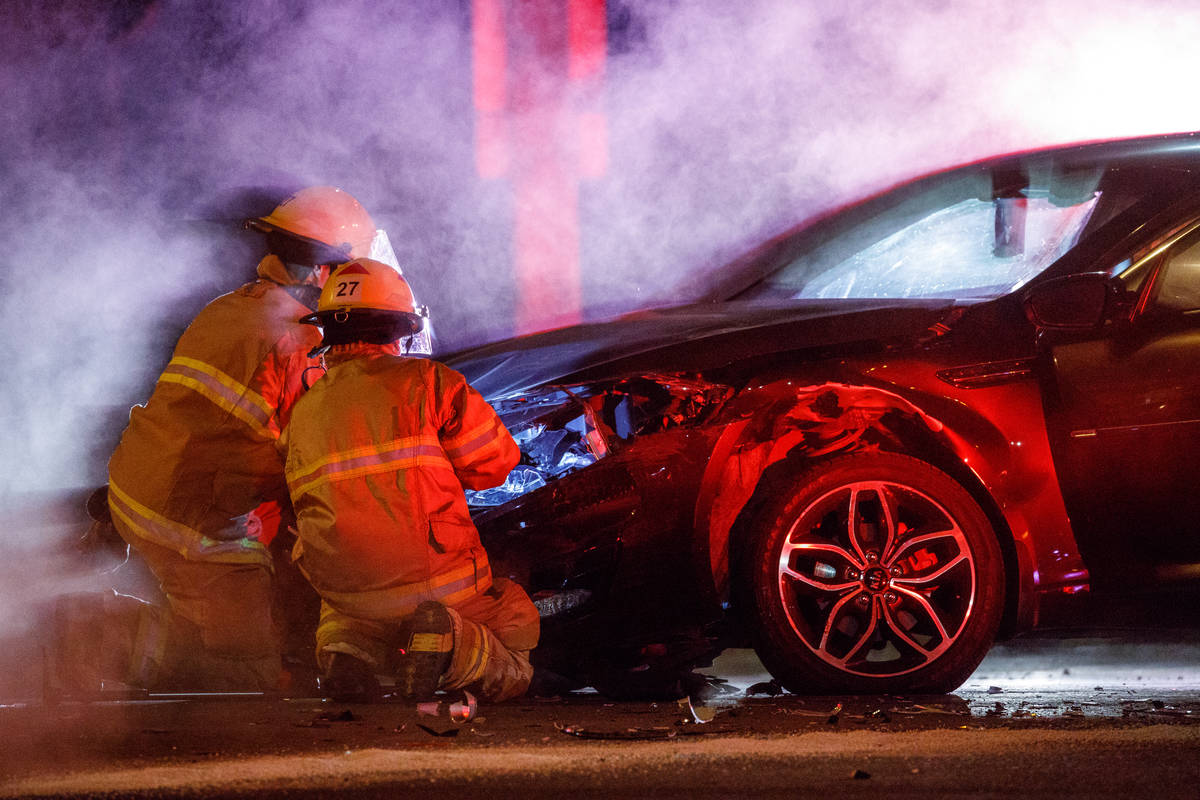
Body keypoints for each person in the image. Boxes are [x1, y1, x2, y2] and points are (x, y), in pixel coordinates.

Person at [56, 186, 377, 693]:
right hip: (190, 516)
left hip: (141, 482)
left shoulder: (230, 308)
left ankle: (120, 632)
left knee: (216, 616)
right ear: (323, 271)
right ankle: (93, 631)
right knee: (247, 667)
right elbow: (310, 450)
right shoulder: (298, 341)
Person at [279, 257, 539, 703]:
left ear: (327, 331)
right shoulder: (432, 383)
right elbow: (493, 466)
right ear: (398, 328)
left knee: (351, 612)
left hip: (347, 589)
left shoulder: (302, 411)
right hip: (436, 582)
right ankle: (449, 644)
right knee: (514, 626)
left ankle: (345, 654)